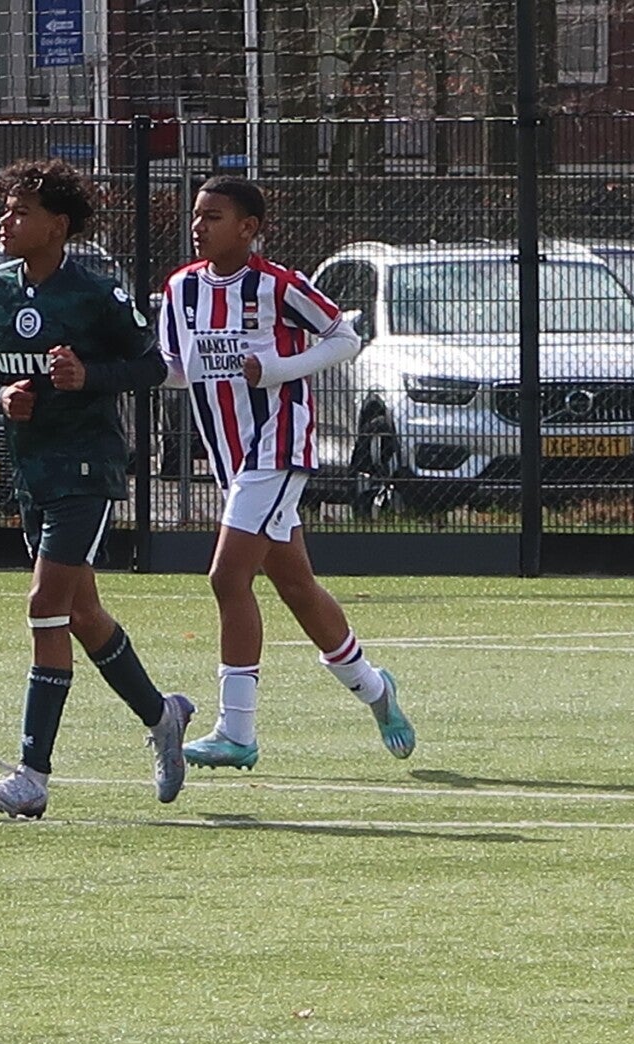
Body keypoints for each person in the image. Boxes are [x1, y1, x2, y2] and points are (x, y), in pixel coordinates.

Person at [0, 159, 194, 819]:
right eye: (7, 209)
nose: (6, 220)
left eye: (21, 212)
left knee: (46, 605)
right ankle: (163, 715)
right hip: (31, 471)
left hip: (86, 470)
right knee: (84, 615)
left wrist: (88, 375)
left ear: (58, 226)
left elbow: (152, 365)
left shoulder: (95, 293)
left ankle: (32, 775)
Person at [159, 175, 413, 770]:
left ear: (248, 228)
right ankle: (375, 689)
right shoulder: (181, 288)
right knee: (296, 585)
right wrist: (102, 371)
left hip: (278, 445)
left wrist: (276, 368)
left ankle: (236, 731)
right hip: (231, 457)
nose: (199, 226)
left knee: (227, 577)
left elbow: (344, 338)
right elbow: (175, 368)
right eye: (197, 215)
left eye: (214, 216)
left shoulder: (278, 285)